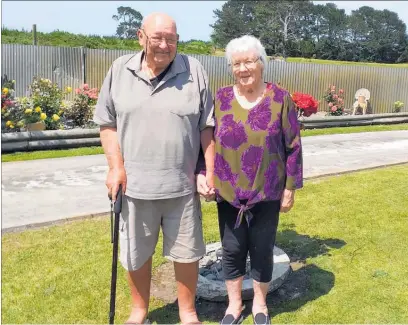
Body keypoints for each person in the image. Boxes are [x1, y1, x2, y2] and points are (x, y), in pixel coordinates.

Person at [93, 12, 215, 325]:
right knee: (136, 253)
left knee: (187, 254)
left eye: (171, 39)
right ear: (140, 37)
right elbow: (107, 123)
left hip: (182, 188)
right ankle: (139, 311)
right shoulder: (120, 69)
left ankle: (188, 313)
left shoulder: (194, 70)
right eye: (157, 37)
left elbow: (207, 126)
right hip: (134, 188)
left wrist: (209, 170)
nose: (164, 45)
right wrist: (115, 168)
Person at [210, 35, 303, 325]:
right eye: (236, 63)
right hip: (229, 192)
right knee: (232, 249)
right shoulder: (221, 98)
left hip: (267, 191)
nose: (243, 68)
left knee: (262, 248)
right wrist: (206, 175)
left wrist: (290, 188)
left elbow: (293, 146)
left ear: (261, 63)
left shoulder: (280, 98)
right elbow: (208, 142)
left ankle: (260, 305)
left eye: (249, 61)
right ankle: (234, 306)